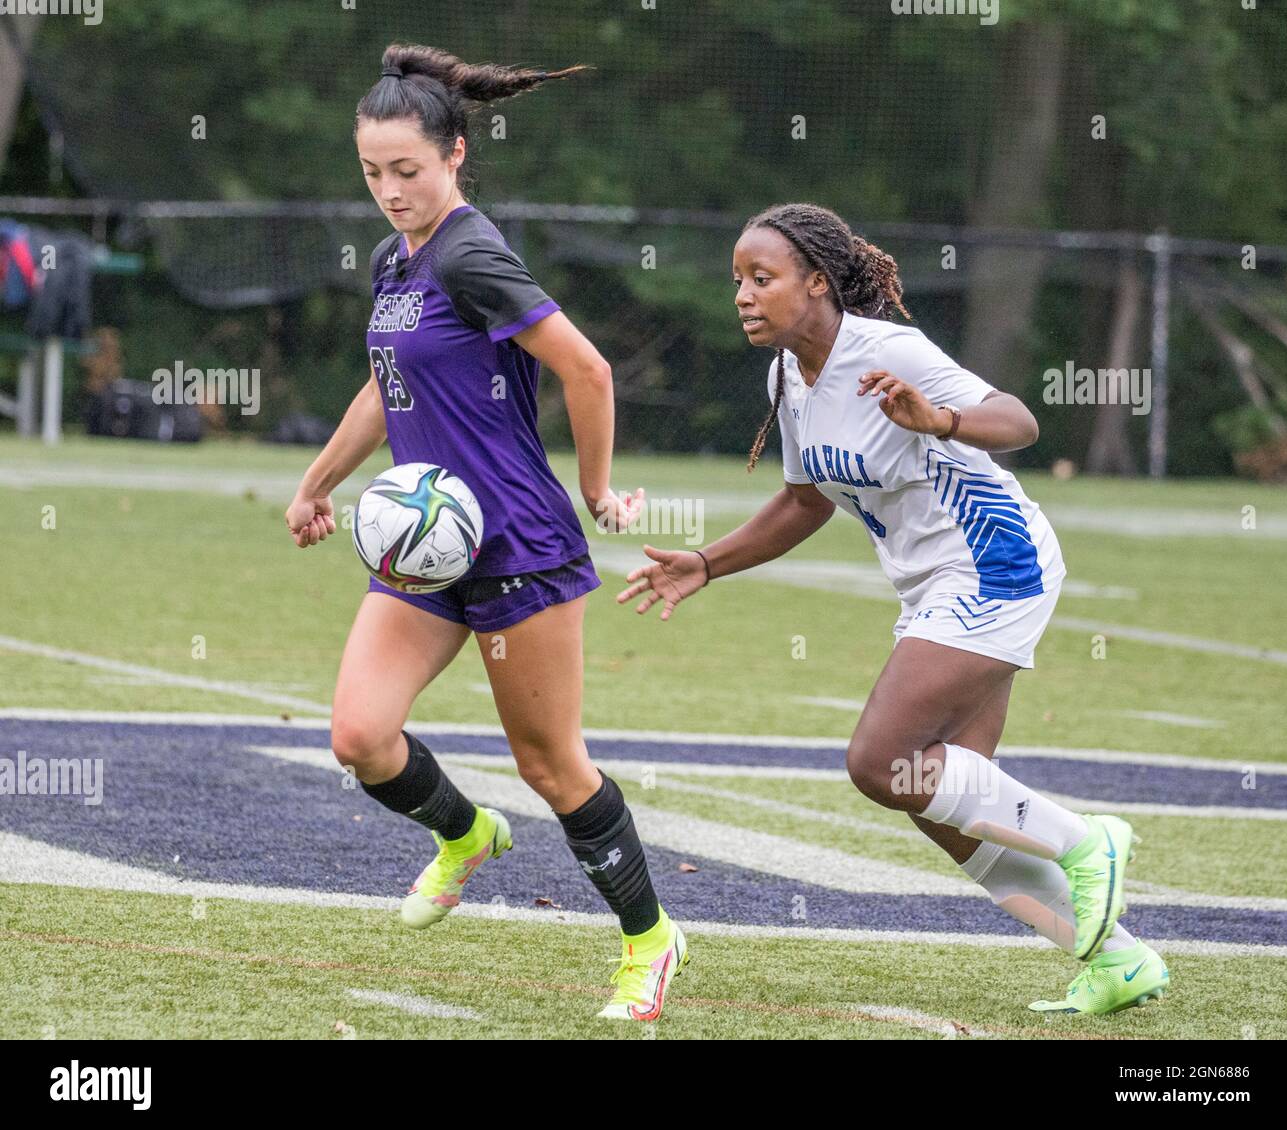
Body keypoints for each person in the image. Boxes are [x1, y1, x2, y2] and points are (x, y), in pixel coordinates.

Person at [618, 202, 1168, 1015]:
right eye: (737, 279)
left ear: (815, 282)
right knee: (943, 806)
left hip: (994, 563)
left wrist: (938, 418)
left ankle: (1090, 843)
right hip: (934, 586)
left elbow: (1019, 420)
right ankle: (1119, 962)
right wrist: (707, 562)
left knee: (881, 763)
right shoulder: (788, 376)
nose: (742, 293)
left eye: (760, 278)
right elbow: (803, 503)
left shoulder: (888, 350)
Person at [285, 45, 687, 1022]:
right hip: (426, 546)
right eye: (372, 172)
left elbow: (585, 369)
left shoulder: (468, 252)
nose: (389, 190)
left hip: (514, 543)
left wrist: (597, 490)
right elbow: (386, 390)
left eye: (407, 171)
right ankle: (463, 837)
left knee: (551, 765)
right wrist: (315, 483)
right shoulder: (395, 260)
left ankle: (649, 937)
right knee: (360, 734)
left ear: (454, 154)